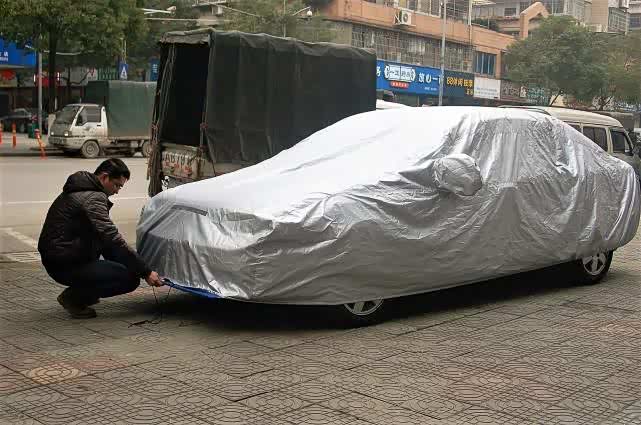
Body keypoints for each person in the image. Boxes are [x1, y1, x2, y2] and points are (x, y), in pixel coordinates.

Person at [38, 158, 163, 319]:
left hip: (61, 258)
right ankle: (73, 298)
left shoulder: (80, 189)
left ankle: (83, 293)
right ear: (104, 177)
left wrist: (135, 265)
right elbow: (112, 239)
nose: (117, 191)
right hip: (65, 264)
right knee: (130, 278)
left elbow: (105, 241)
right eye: (117, 185)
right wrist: (145, 272)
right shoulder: (93, 197)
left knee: (124, 266)